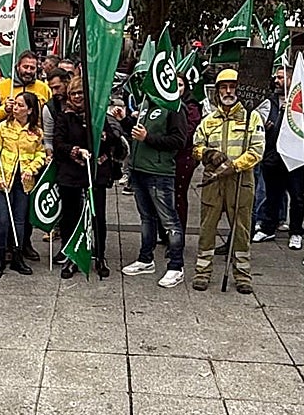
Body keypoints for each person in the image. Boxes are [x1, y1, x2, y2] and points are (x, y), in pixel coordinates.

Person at [190, 70, 265, 293]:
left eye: (233, 87)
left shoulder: (252, 117)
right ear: (217, 91)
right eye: (224, 87)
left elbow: (257, 150)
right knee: (207, 228)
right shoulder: (209, 120)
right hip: (212, 181)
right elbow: (196, 147)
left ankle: (242, 275)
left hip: (240, 180)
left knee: (241, 229)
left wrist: (233, 166)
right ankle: (203, 271)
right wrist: (210, 155)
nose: (228, 91)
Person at [53, 75, 126, 279]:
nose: (77, 97)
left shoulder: (97, 114)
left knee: (97, 216)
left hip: (96, 173)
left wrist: (103, 136)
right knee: (71, 217)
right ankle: (71, 256)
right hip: (72, 173)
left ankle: (100, 255)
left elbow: (114, 138)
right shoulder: (64, 116)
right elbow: (58, 143)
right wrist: (76, 151)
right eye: (74, 93)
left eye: (80, 93)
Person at [122, 89, 189, 288]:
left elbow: (179, 141)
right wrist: (126, 120)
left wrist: (148, 137)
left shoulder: (175, 107)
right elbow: (136, 135)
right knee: (146, 218)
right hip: (139, 169)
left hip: (159, 172)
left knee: (169, 221)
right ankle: (145, 259)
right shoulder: (145, 103)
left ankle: (176, 266)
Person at [0, 92, 45, 274]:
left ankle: (17, 256)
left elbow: (40, 154)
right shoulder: (3, 128)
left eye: (21, 105)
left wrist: (32, 169)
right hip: (2, 182)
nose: (15, 108)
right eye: (15, 104)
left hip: (24, 182)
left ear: (30, 110)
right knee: (3, 220)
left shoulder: (36, 132)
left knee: (20, 222)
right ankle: (0, 257)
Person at [254, 65, 304, 249]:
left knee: (296, 196)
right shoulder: (270, 101)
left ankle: (295, 231)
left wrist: (294, 114)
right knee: (271, 195)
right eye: (276, 77)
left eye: (281, 77)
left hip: (294, 156)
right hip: (272, 155)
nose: (277, 81)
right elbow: (257, 121)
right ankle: (268, 227)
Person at [173, 73, 204, 231]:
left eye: (180, 85)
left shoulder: (191, 106)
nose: (177, 89)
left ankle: (179, 234)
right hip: (168, 158)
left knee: (178, 196)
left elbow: (187, 132)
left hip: (183, 157)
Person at [42, 68, 71, 159]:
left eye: (57, 87)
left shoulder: (81, 102)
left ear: (67, 83)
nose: (54, 92)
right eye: (51, 88)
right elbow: (48, 138)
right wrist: (49, 154)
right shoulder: (49, 108)